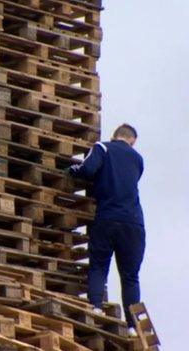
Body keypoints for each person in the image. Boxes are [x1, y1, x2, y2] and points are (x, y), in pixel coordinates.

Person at [67, 124, 145, 336]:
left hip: (108, 217)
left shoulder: (103, 148)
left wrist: (70, 170)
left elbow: (87, 170)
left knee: (100, 265)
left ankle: (96, 307)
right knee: (130, 276)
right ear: (132, 140)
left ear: (115, 135)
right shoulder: (138, 159)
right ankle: (132, 326)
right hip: (135, 224)